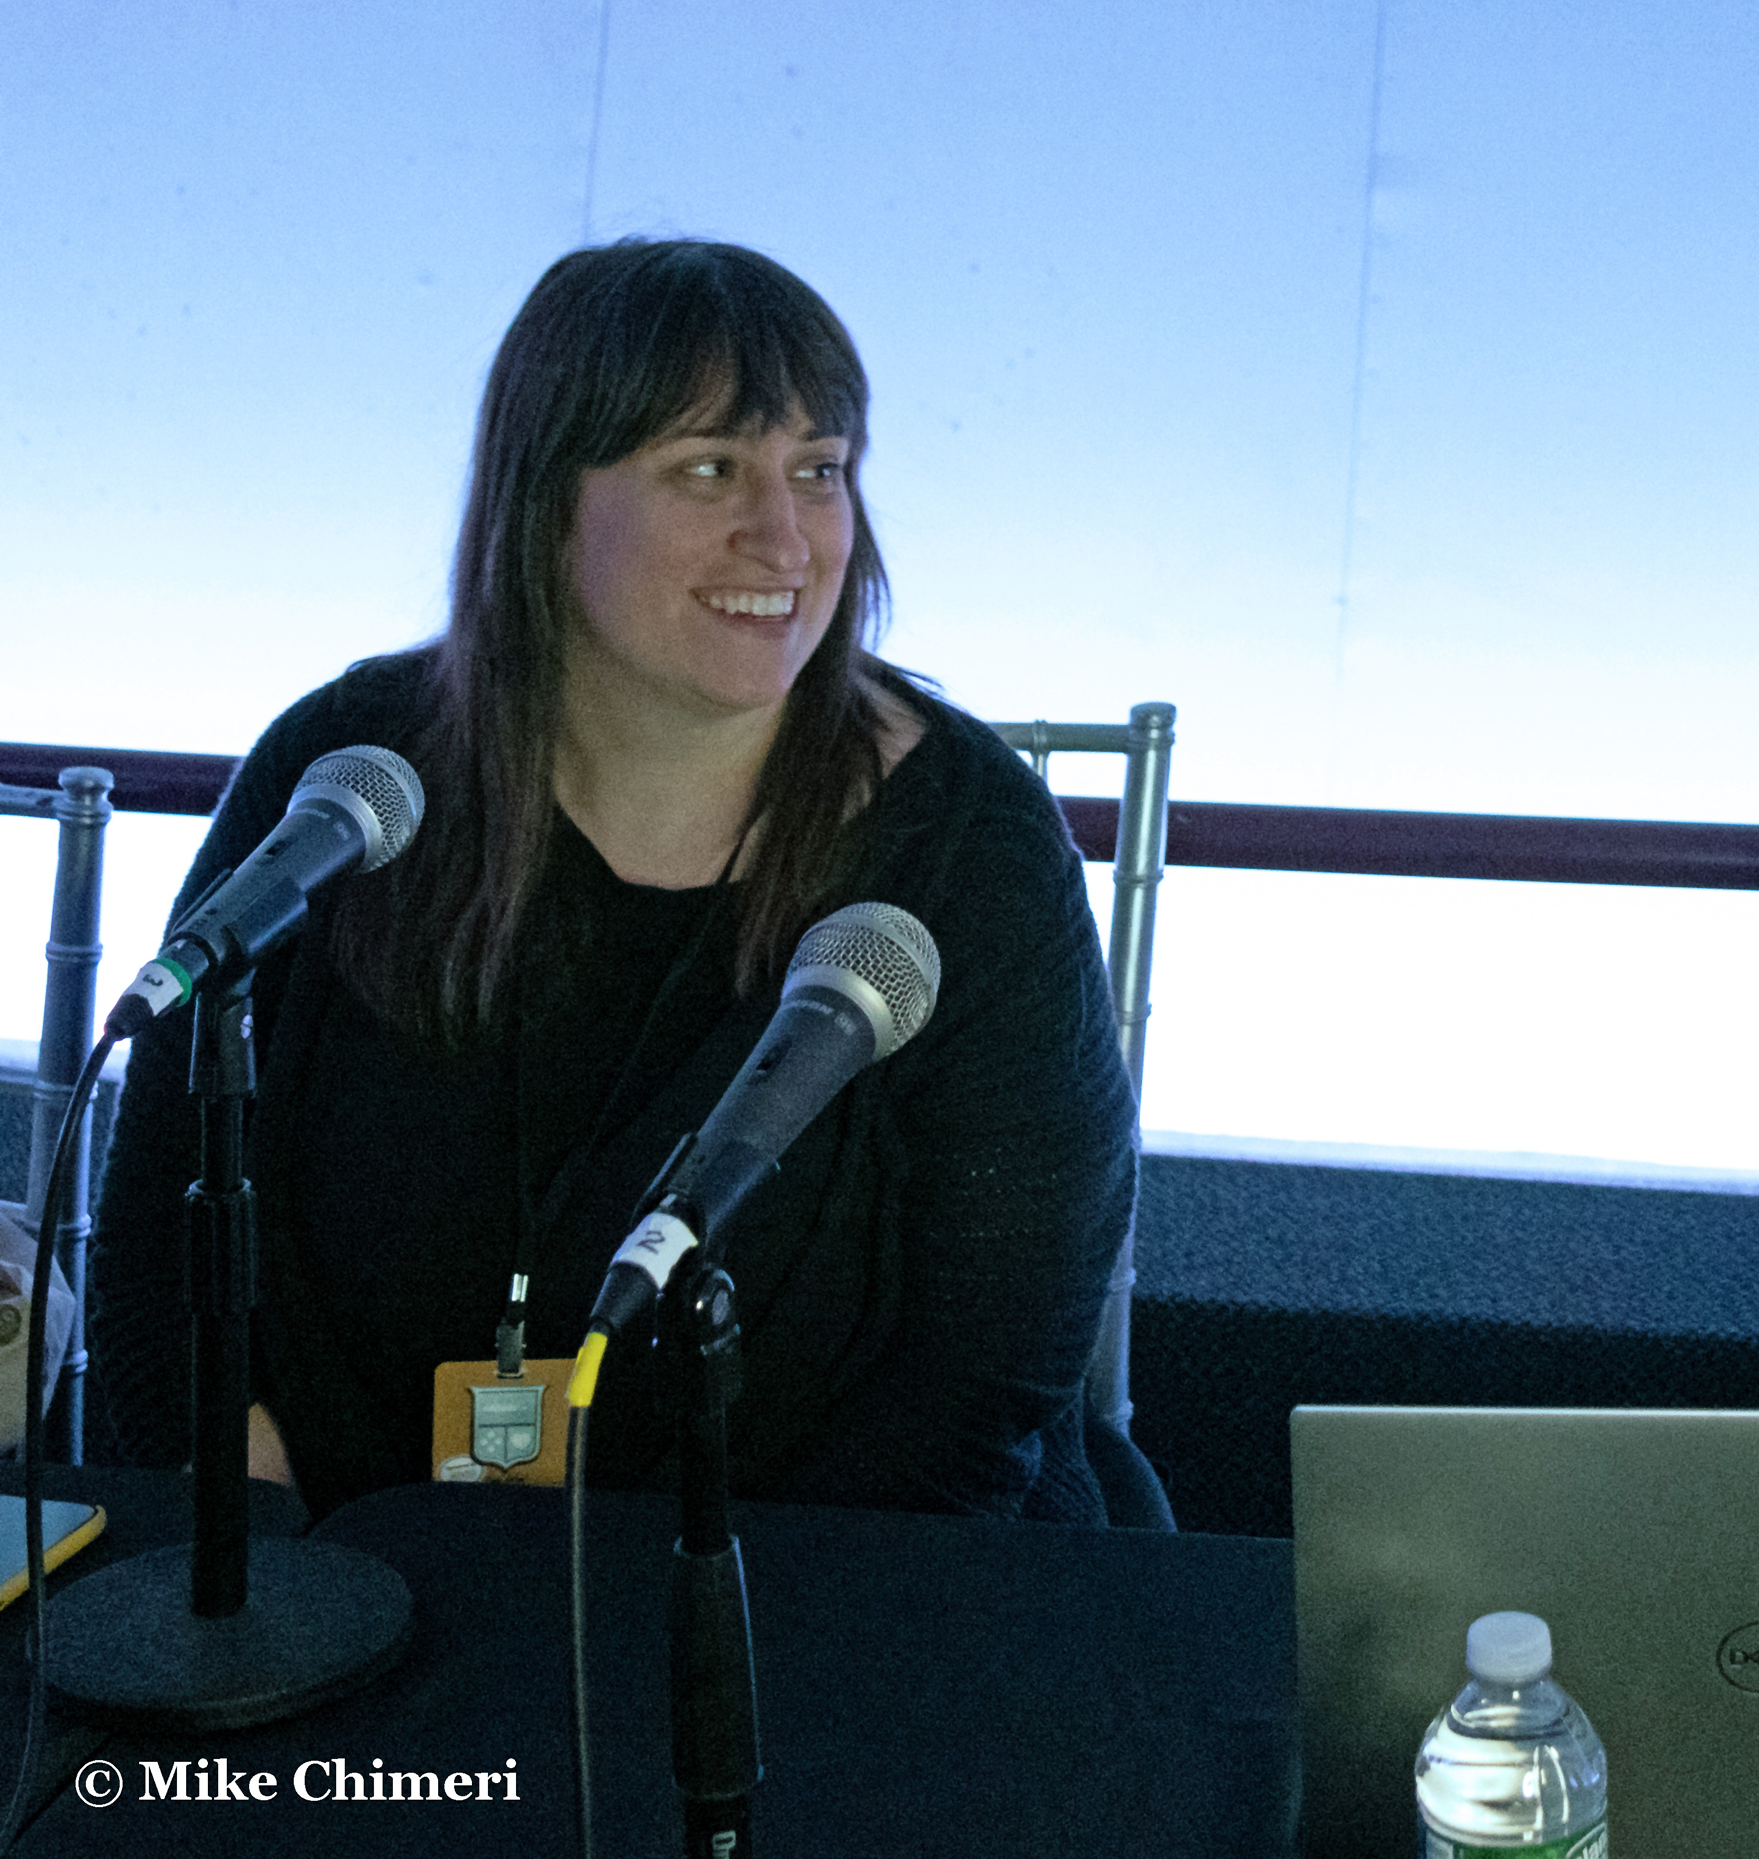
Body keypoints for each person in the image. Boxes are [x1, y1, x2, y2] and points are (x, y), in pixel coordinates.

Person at [90, 239, 1148, 1526]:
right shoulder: (352, 770)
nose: (784, 536)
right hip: (361, 1570)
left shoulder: (969, 843)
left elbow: (993, 1372)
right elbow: (160, 1243)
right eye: (709, 468)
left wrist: (703, 1620)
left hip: (825, 1585)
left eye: (817, 470)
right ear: (547, 499)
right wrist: (258, 1556)